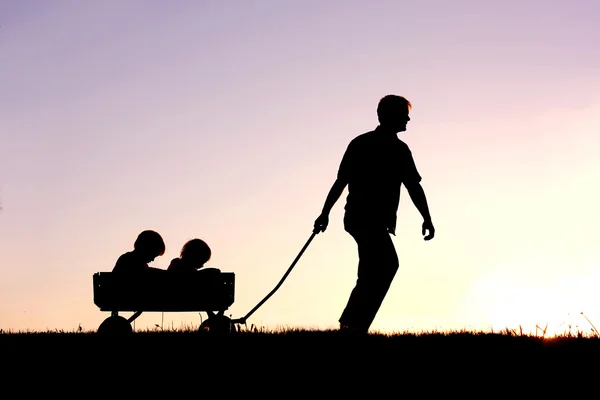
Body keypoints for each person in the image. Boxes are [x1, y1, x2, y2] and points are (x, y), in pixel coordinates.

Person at [313, 94, 435, 334]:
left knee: (373, 269)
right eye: (404, 115)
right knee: (386, 264)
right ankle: (354, 325)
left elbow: (412, 186)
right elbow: (342, 181)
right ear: (392, 116)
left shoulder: (367, 144)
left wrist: (325, 214)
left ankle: (353, 324)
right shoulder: (391, 148)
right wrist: (324, 213)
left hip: (359, 218)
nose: (408, 119)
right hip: (365, 218)